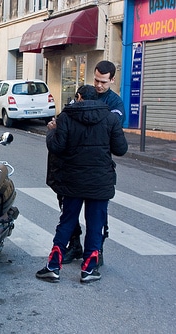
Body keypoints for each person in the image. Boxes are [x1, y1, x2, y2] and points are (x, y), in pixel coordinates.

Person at [37, 85, 127, 283]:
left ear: (78, 97)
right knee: (96, 225)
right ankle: (88, 270)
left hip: (72, 181)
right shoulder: (111, 118)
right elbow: (121, 149)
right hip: (100, 181)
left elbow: (56, 147)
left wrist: (52, 131)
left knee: (67, 221)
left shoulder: (66, 118)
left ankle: (53, 266)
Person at [62, 60, 126, 265]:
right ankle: (75, 245)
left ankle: (96, 251)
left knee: (98, 215)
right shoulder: (85, 94)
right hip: (74, 164)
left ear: (112, 80)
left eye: (104, 82)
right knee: (68, 210)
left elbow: (116, 139)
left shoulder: (115, 104)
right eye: (97, 80)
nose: (99, 86)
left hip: (98, 164)